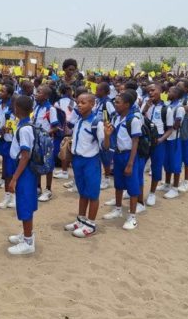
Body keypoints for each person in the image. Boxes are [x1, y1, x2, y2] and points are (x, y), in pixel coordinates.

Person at [63, 93, 104, 237]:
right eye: (78, 102)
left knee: (92, 193)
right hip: (78, 160)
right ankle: (81, 219)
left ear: (92, 104)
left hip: (91, 161)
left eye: (83, 102)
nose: (79, 105)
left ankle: (91, 224)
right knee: (82, 192)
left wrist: (108, 136)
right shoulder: (79, 120)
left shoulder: (97, 123)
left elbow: (104, 146)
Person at [103, 91, 145, 230]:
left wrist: (130, 164)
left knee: (133, 187)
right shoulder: (116, 118)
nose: (115, 104)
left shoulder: (133, 120)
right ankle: (118, 209)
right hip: (118, 154)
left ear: (127, 104)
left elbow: (135, 142)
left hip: (129, 155)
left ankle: (132, 216)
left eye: (118, 102)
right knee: (119, 184)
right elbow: (112, 138)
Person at [7, 95, 38, 255]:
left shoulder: (25, 129)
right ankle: (27, 233)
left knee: (25, 204)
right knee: (25, 202)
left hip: (24, 171)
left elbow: (25, 156)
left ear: (17, 108)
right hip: (24, 169)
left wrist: (14, 178)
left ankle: (28, 241)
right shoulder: (24, 125)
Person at [141, 83, 167, 207]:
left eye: (153, 90)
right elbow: (140, 117)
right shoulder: (146, 104)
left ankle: (152, 193)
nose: (150, 93)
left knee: (156, 167)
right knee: (139, 165)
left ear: (160, 91)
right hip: (145, 139)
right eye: (148, 91)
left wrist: (161, 139)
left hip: (158, 140)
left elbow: (171, 128)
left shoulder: (166, 107)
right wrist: (146, 107)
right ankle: (132, 190)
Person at [32, 85, 59, 202]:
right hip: (35, 140)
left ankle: (48, 189)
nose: (36, 94)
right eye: (36, 91)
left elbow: (56, 127)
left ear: (46, 96)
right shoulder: (36, 107)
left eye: (39, 92)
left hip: (46, 142)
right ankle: (38, 187)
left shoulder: (50, 109)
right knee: (37, 162)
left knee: (48, 164)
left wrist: (45, 134)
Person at [0, 84, 17, 209]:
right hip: (7, 144)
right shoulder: (7, 114)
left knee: (15, 172)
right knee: (8, 172)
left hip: (17, 146)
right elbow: (1, 128)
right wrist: (3, 129)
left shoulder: (22, 116)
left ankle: (15, 196)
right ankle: (8, 195)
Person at [161, 87, 185, 199]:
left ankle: (175, 188)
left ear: (176, 94)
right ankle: (167, 184)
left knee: (175, 163)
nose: (167, 93)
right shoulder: (169, 105)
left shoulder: (179, 108)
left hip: (174, 138)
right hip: (167, 137)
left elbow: (176, 125)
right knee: (167, 161)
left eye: (169, 92)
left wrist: (166, 125)